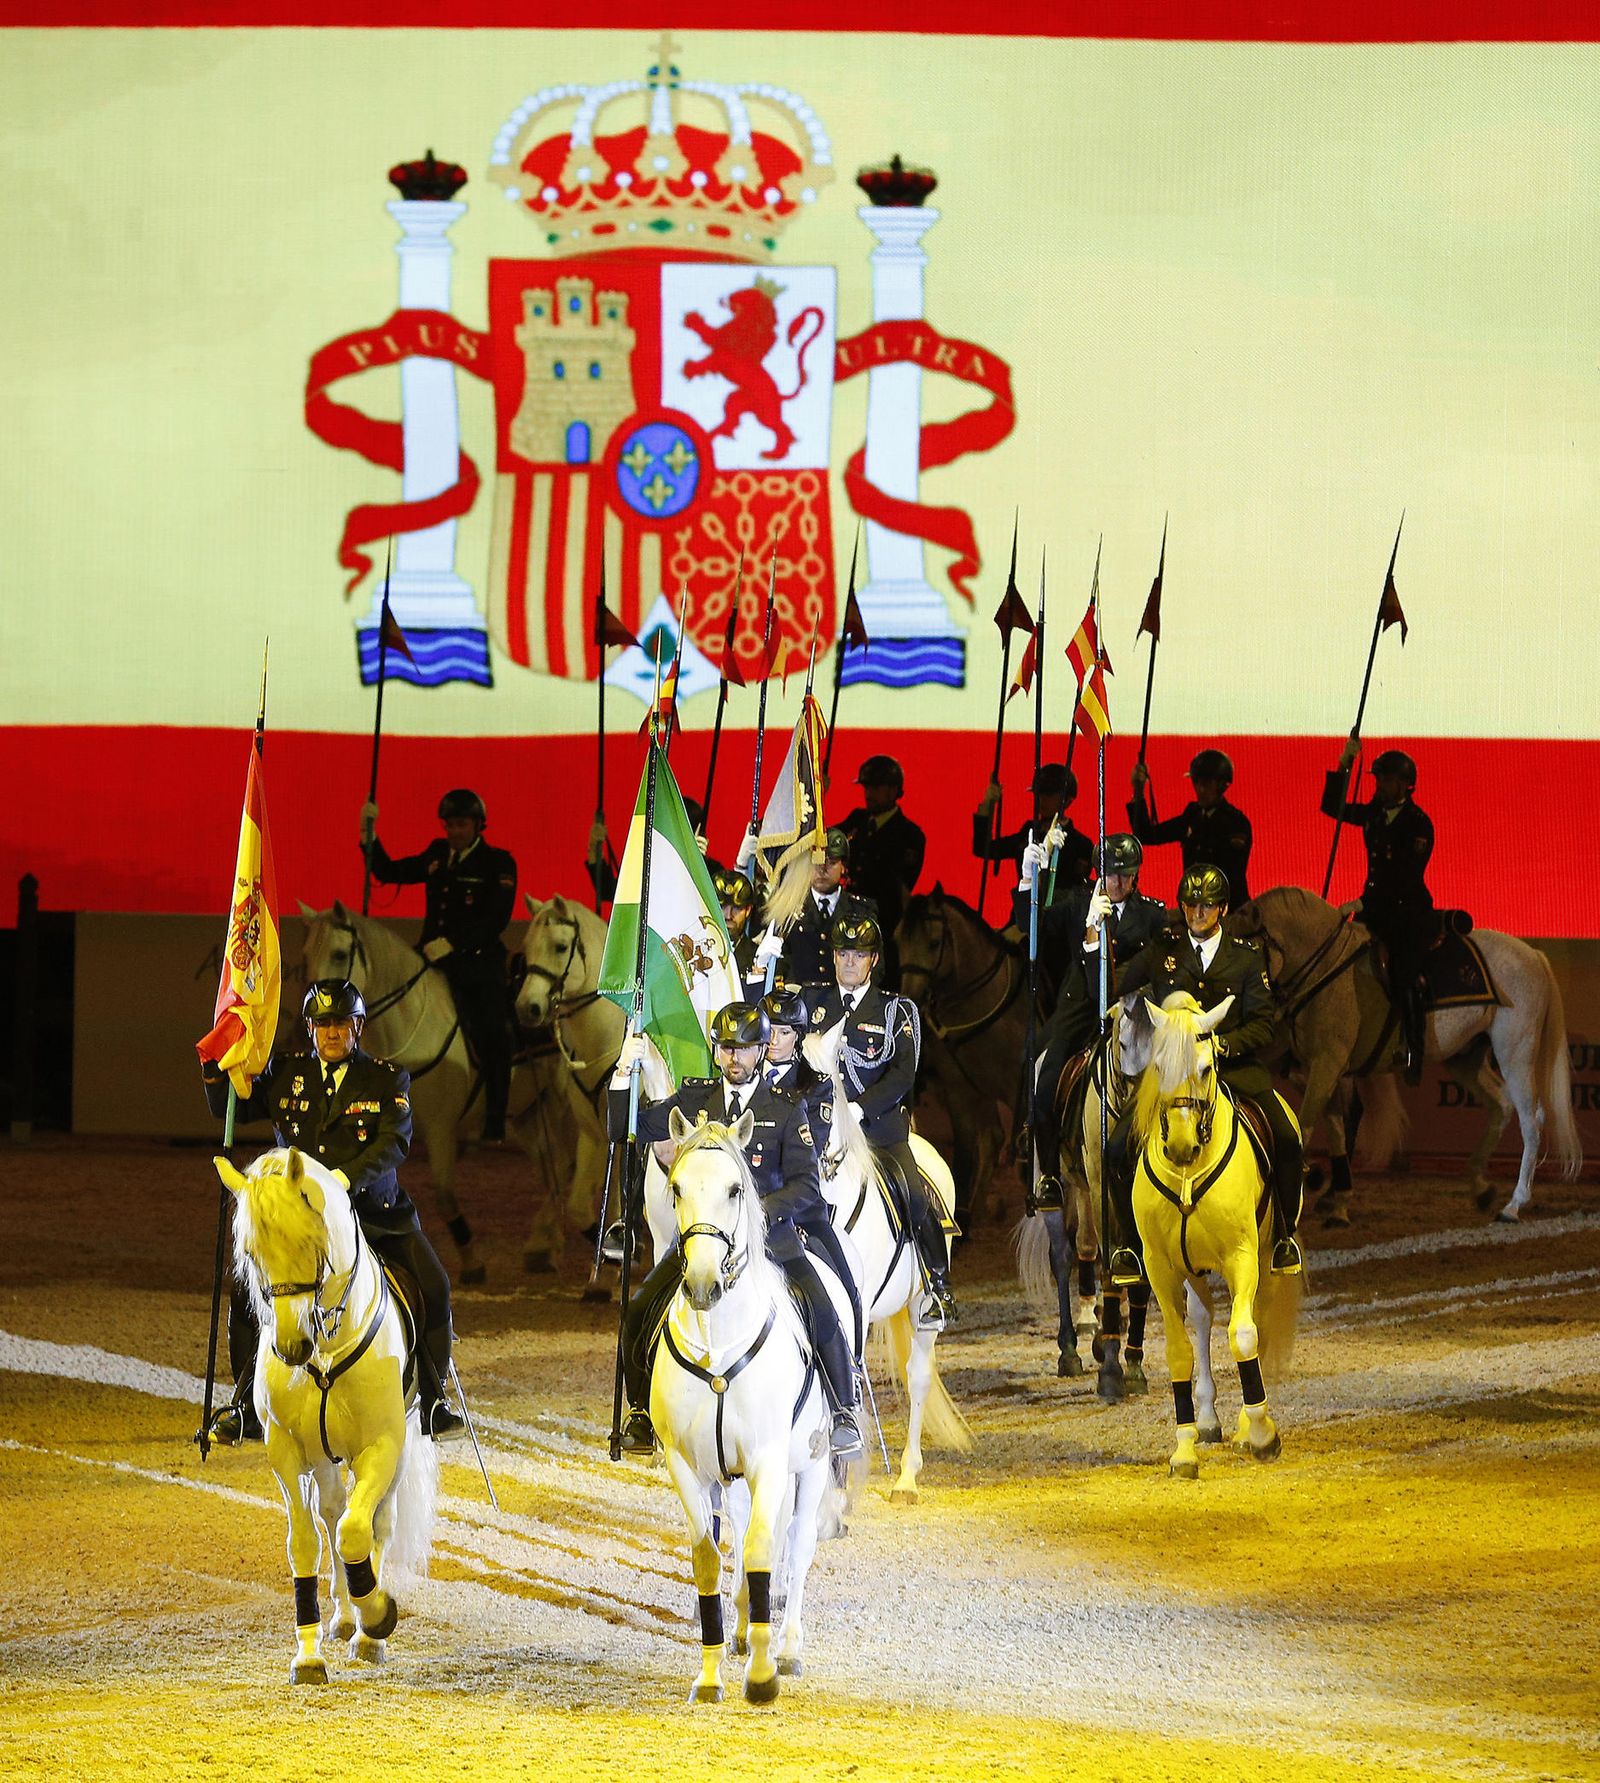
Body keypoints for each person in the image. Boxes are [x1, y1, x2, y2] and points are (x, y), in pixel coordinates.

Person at [199, 979, 463, 1445]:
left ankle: (435, 1401)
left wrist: (344, 1180)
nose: (331, 1034)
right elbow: (228, 1107)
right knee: (246, 1293)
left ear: (358, 1027)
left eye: (340, 1023)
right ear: (309, 1029)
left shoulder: (386, 1079)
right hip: (300, 1225)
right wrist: (215, 1063)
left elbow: (394, 1142)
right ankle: (245, 1407)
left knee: (435, 1285)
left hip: (373, 1213)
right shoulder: (285, 1073)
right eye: (322, 1025)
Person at [609, 1002, 864, 1459]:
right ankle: (641, 1413)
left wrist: (756, 1216)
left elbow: (807, 1186)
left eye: (745, 1049)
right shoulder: (694, 1101)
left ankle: (844, 1411)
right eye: (728, 1048)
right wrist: (623, 1075)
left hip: (771, 1241)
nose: (735, 1058)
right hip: (702, 1243)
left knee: (823, 1310)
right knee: (638, 1310)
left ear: (762, 1050)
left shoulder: (786, 1109)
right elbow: (623, 1129)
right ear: (716, 1050)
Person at [1099, 864, 1304, 1281]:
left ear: (1222, 909)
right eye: (1190, 905)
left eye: (1206, 906)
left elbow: (1265, 1022)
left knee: (1285, 1136)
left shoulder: (1245, 958)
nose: (1197, 912)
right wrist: (1094, 940)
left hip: (1230, 1067)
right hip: (1173, 1075)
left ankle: (1284, 1235)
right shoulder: (1164, 951)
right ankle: (1130, 1245)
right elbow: (1111, 984)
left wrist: (1223, 1045)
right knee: (1116, 1148)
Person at [807, 910, 956, 1326]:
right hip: (820, 1133)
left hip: (879, 1132)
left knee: (913, 1193)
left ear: (873, 960)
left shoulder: (896, 1010)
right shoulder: (812, 1003)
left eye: (859, 953)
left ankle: (937, 1284)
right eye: (843, 953)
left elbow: (902, 1074)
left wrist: (858, 1108)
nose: (849, 961)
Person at [361, 788, 517, 1141]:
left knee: (494, 1031)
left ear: (478, 825)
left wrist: (454, 943)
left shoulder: (498, 863)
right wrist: (369, 836)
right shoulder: (436, 854)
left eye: (461, 824)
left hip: (477, 965)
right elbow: (388, 872)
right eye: (450, 825)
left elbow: (497, 918)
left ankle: (495, 1116)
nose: (454, 832)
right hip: (432, 960)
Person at [1027, 834, 1168, 1213]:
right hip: (1082, 1004)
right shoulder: (1077, 904)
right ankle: (1051, 1175)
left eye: (1126, 875)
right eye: (1110, 875)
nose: (1118, 883)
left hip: (1132, 1005)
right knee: (1045, 1081)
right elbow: (1033, 923)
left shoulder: (1153, 913)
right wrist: (1031, 881)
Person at [1321, 743, 1435, 1082]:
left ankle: (1414, 1050)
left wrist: (1361, 904)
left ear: (1405, 785)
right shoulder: (1373, 814)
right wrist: (1345, 763)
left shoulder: (1418, 824)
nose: (1379, 786)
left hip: (1406, 913)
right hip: (1373, 911)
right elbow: (1332, 807)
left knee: (1403, 973)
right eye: (1377, 779)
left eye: (1386, 781)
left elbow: (1404, 876)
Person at [836, 755, 925, 985]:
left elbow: (894, 885)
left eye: (876, 787)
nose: (869, 794)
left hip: (882, 932)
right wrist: (818, 796)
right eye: (866, 787)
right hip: (846, 924)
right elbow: (824, 841)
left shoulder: (910, 835)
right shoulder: (858, 819)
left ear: (894, 790)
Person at [1128, 748, 1253, 905]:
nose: (1200, 790)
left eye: (1206, 784)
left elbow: (1230, 875)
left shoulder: (1236, 824)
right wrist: (1138, 792)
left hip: (1228, 908)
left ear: (1222, 785)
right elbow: (1146, 835)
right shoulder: (1192, 814)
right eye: (1196, 782)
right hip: (1194, 907)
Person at [974, 763, 1093, 894]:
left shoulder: (1081, 845)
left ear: (1067, 800)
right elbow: (983, 848)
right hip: (1023, 910)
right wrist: (987, 805)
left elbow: (1075, 891)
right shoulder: (1029, 831)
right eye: (1038, 793)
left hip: (1058, 912)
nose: (1041, 799)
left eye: (1048, 794)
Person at [761, 984, 827, 1107]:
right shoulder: (745, 1072)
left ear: (797, 1036)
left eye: (784, 1033)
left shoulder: (813, 1085)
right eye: (769, 1031)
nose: (774, 1041)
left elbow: (815, 1126)